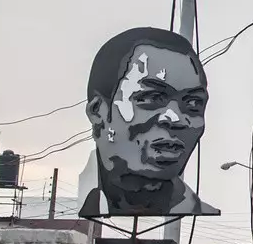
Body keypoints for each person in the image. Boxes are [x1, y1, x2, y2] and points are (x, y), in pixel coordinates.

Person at [77, 26, 218, 218]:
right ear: (98, 111)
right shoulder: (87, 202)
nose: (175, 119)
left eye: (193, 103)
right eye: (152, 98)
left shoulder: (194, 208)